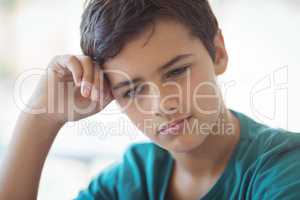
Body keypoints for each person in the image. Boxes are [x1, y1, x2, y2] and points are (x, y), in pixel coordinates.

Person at [1, 0, 300, 199]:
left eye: (177, 71)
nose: (163, 104)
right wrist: (41, 118)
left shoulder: (283, 167)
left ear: (218, 52)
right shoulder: (131, 180)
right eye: (132, 90)